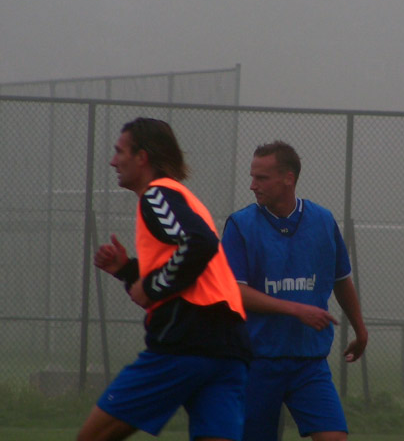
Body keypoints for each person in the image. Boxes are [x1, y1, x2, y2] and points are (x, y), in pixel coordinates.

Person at [77, 118, 252, 441]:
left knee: (91, 437)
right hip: (228, 347)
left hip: (186, 341)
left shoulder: (157, 196)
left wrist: (152, 285)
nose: (113, 161)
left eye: (120, 152)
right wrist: (129, 271)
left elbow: (198, 243)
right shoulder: (182, 197)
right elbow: (190, 265)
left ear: (142, 157)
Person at [221, 140, 368, 441]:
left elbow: (341, 278)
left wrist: (361, 329)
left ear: (288, 178)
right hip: (257, 361)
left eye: (261, 178)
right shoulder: (240, 225)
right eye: (252, 177)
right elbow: (235, 292)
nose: (252, 185)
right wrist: (294, 309)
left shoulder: (323, 221)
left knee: (335, 437)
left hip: (309, 362)